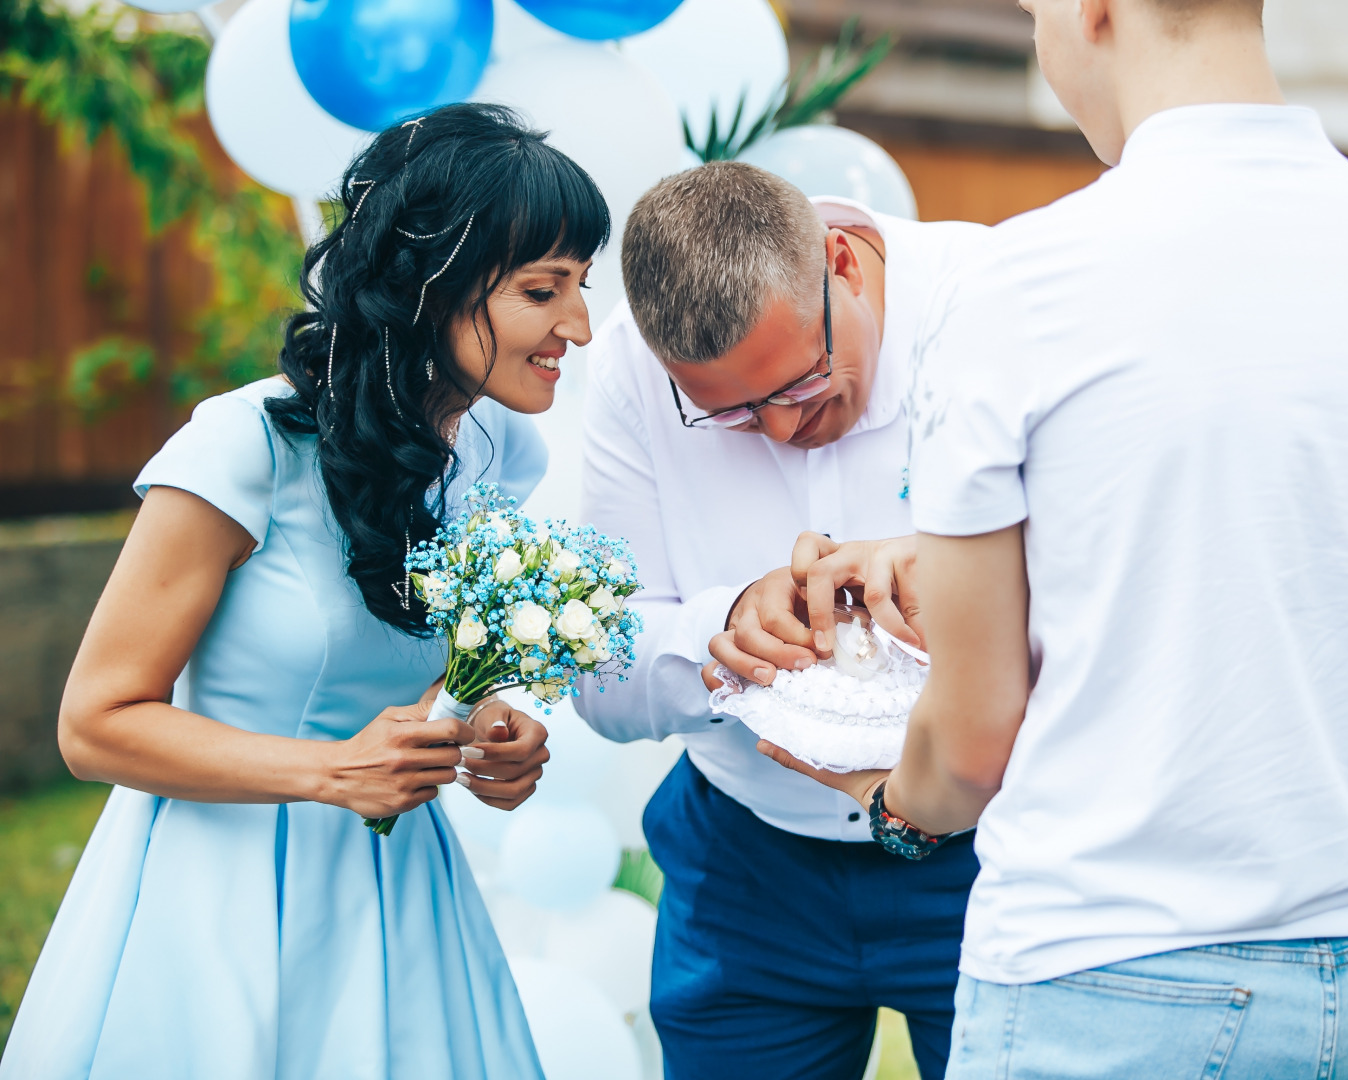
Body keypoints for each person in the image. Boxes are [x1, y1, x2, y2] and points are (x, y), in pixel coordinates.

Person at [765, 0, 1348, 1076]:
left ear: (1093, 11)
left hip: (1102, 975)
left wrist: (888, 809)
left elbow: (972, 734)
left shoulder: (1024, 284)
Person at [0, 103, 607, 1079]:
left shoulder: (500, 450)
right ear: (432, 283)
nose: (578, 325)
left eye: (582, 285)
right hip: (217, 902)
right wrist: (330, 773)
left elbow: (419, 672)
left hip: (401, 897)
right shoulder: (245, 448)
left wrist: (487, 721)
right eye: (545, 290)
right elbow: (95, 724)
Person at [574, 162, 988, 1080]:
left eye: (797, 385)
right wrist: (723, 628)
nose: (777, 432)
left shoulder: (998, 305)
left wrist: (948, 576)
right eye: (726, 414)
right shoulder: (629, 370)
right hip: (745, 872)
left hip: (995, 857)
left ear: (840, 261)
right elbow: (599, 672)